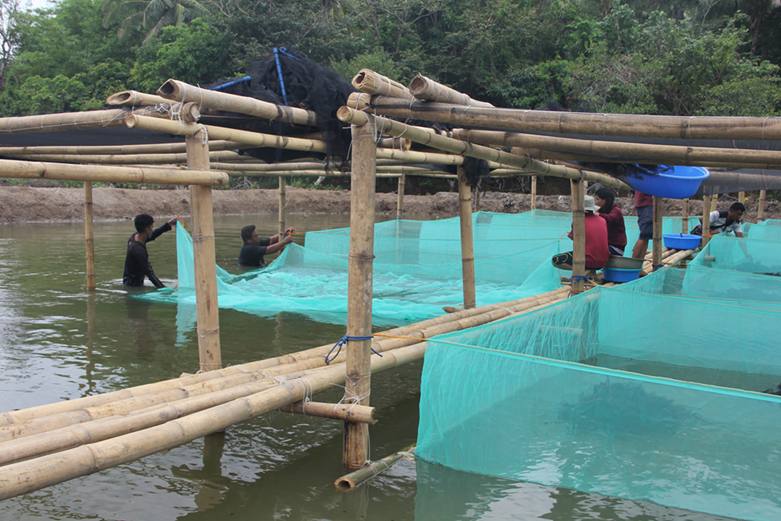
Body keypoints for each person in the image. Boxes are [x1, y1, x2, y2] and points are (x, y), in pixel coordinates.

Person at [551, 195, 610, 277]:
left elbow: (576, 238)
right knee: (590, 249)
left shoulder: (578, 222)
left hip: (588, 260)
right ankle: (593, 275)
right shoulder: (602, 220)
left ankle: (583, 270)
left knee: (555, 260)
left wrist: (571, 236)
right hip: (604, 260)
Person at [123, 214, 178, 288]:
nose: (152, 229)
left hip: (127, 282)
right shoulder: (139, 252)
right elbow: (150, 274)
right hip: (134, 287)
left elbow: (153, 235)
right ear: (146, 229)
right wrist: (165, 289)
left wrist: (167, 225)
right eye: (152, 227)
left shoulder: (134, 237)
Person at [594, 186, 627, 256]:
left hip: (615, 248)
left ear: (604, 200)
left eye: (597, 199)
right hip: (606, 246)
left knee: (592, 253)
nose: (596, 202)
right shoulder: (602, 211)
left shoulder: (616, 210)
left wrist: (597, 214)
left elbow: (611, 218)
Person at [630, 190, 654, 259]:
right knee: (644, 235)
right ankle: (633, 265)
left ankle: (639, 266)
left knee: (647, 236)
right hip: (645, 202)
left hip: (646, 202)